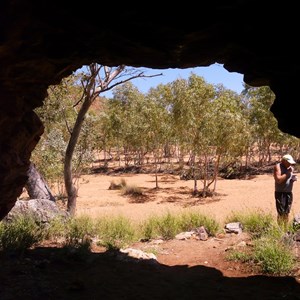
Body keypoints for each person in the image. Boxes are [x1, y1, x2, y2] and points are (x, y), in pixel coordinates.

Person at [273, 154, 297, 229]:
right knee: (281, 213)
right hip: (280, 193)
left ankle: (285, 228)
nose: (290, 164)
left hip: (288, 192)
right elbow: (278, 180)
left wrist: (292, 179)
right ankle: (280, 229)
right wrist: (287, 173)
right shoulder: (278, 167)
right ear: (284, 161)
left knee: (287, 212)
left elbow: (288, 178)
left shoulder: (290, 168)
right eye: (288, 162)